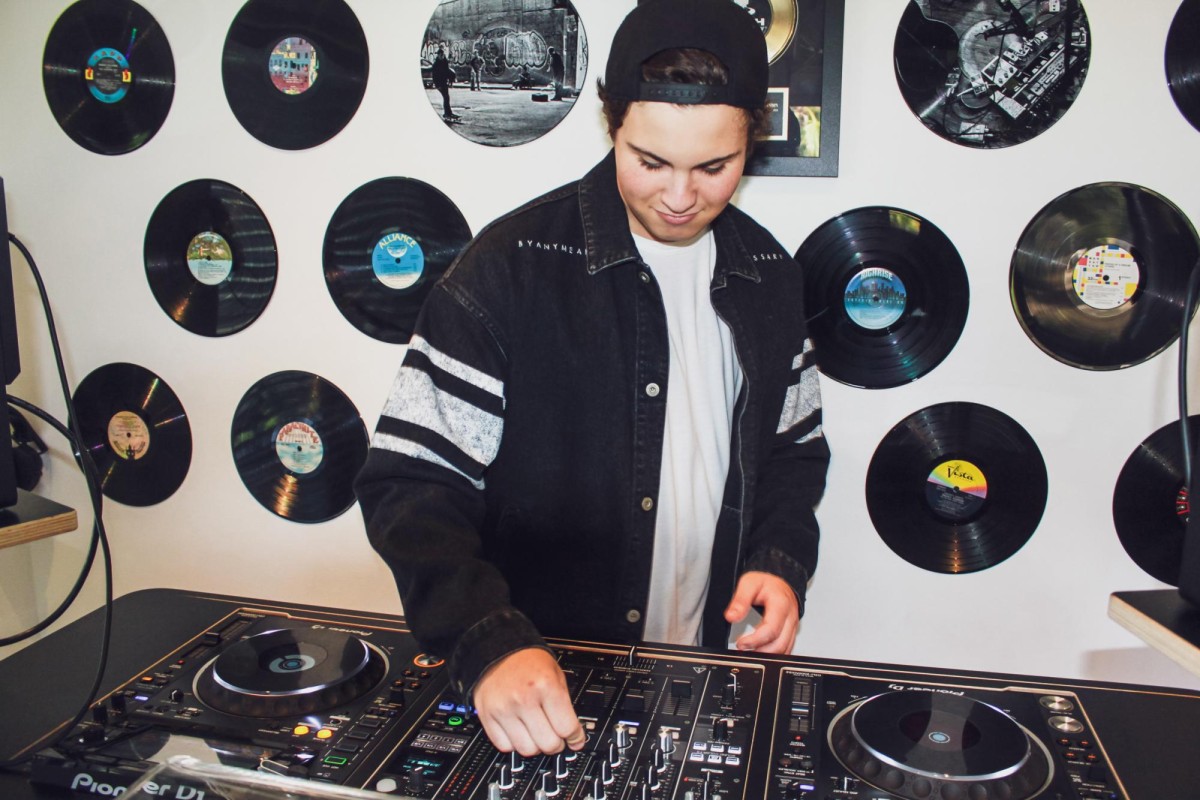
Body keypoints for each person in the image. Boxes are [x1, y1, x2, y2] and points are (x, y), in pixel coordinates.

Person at [356, 0, 828, 759]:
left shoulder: (771, 273)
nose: (680, 197)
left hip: (698, 675)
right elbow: (409, 484)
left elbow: (794, 450)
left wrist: (778, 558)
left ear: (752, 141)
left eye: (714, 167)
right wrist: (488, 643)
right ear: (613, 126)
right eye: (650, 161)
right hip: (535, 694)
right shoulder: (507, 267)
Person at [431, 47, 458, 121]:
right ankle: (447, 113)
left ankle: (448, 112)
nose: (441, 56)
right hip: (440, 83)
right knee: (446, 97)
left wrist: (450, 81)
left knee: (447, 97)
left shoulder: (445, 62)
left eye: (442, 55)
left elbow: (447, 72)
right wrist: (437, 85)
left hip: (444, 82)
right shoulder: (436, 64)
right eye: (440, 55)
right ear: (438, 55)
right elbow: (434, 76)